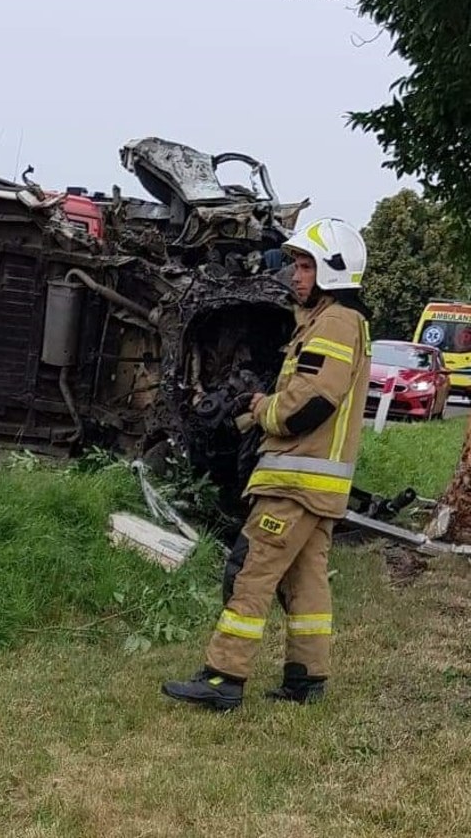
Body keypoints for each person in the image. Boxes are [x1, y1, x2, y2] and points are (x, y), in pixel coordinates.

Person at [162, 217, 371, 711]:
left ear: (332, 272)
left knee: (249, 572)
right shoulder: (333, 322)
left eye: (305, 266)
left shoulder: (336, 321)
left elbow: (310, 403)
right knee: (306, 584)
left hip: (296, 481)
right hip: (317, 486)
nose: (295, 276)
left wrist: (263, 409)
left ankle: (223, 678)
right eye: (296, 265)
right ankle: (306, 679)